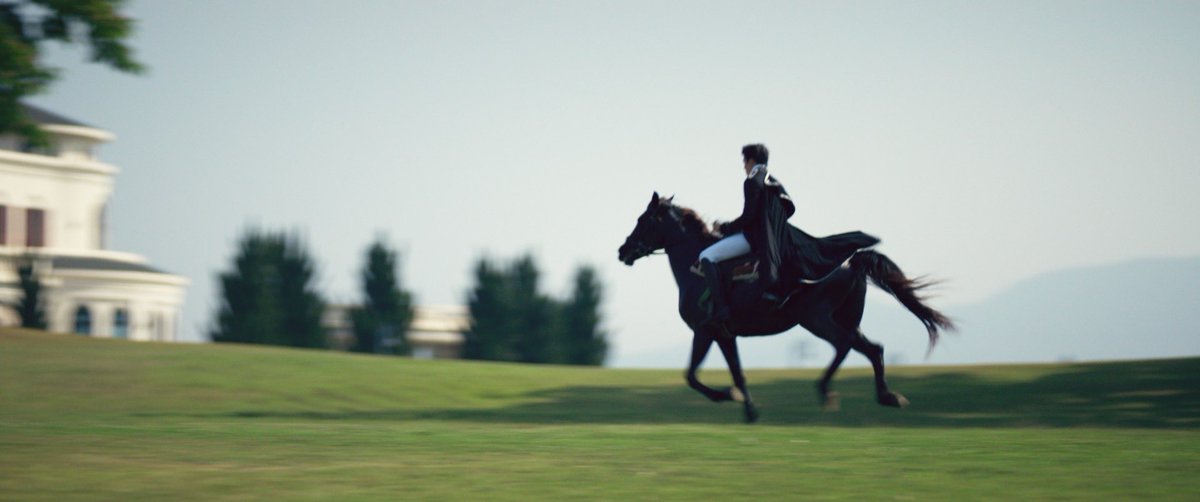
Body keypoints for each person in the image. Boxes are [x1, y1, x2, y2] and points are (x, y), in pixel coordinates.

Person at [698, 144, 879, 326]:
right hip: (778, 237)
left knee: (706, 256)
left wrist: (724, 228)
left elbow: (748, 217)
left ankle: (722, 308)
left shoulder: (752, 181)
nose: (744, 167)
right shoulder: (774, 182)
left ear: (750, 161)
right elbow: (788, 210)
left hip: (754, 239)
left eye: (744, 162)